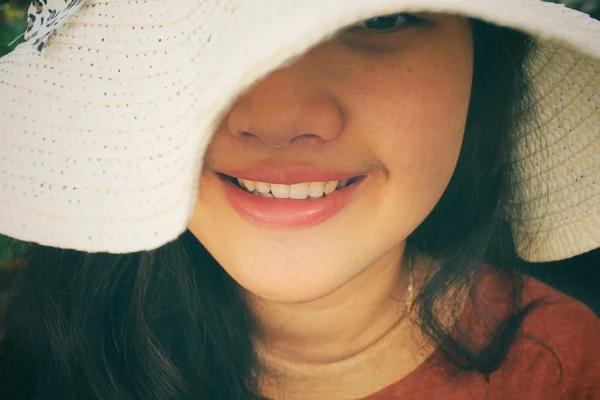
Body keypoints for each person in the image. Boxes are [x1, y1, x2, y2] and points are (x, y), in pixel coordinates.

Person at [0, 0, 598, 399]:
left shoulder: (564, 365)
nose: (280, 119)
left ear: (484, 66)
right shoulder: (32, 353)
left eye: (381, 17)